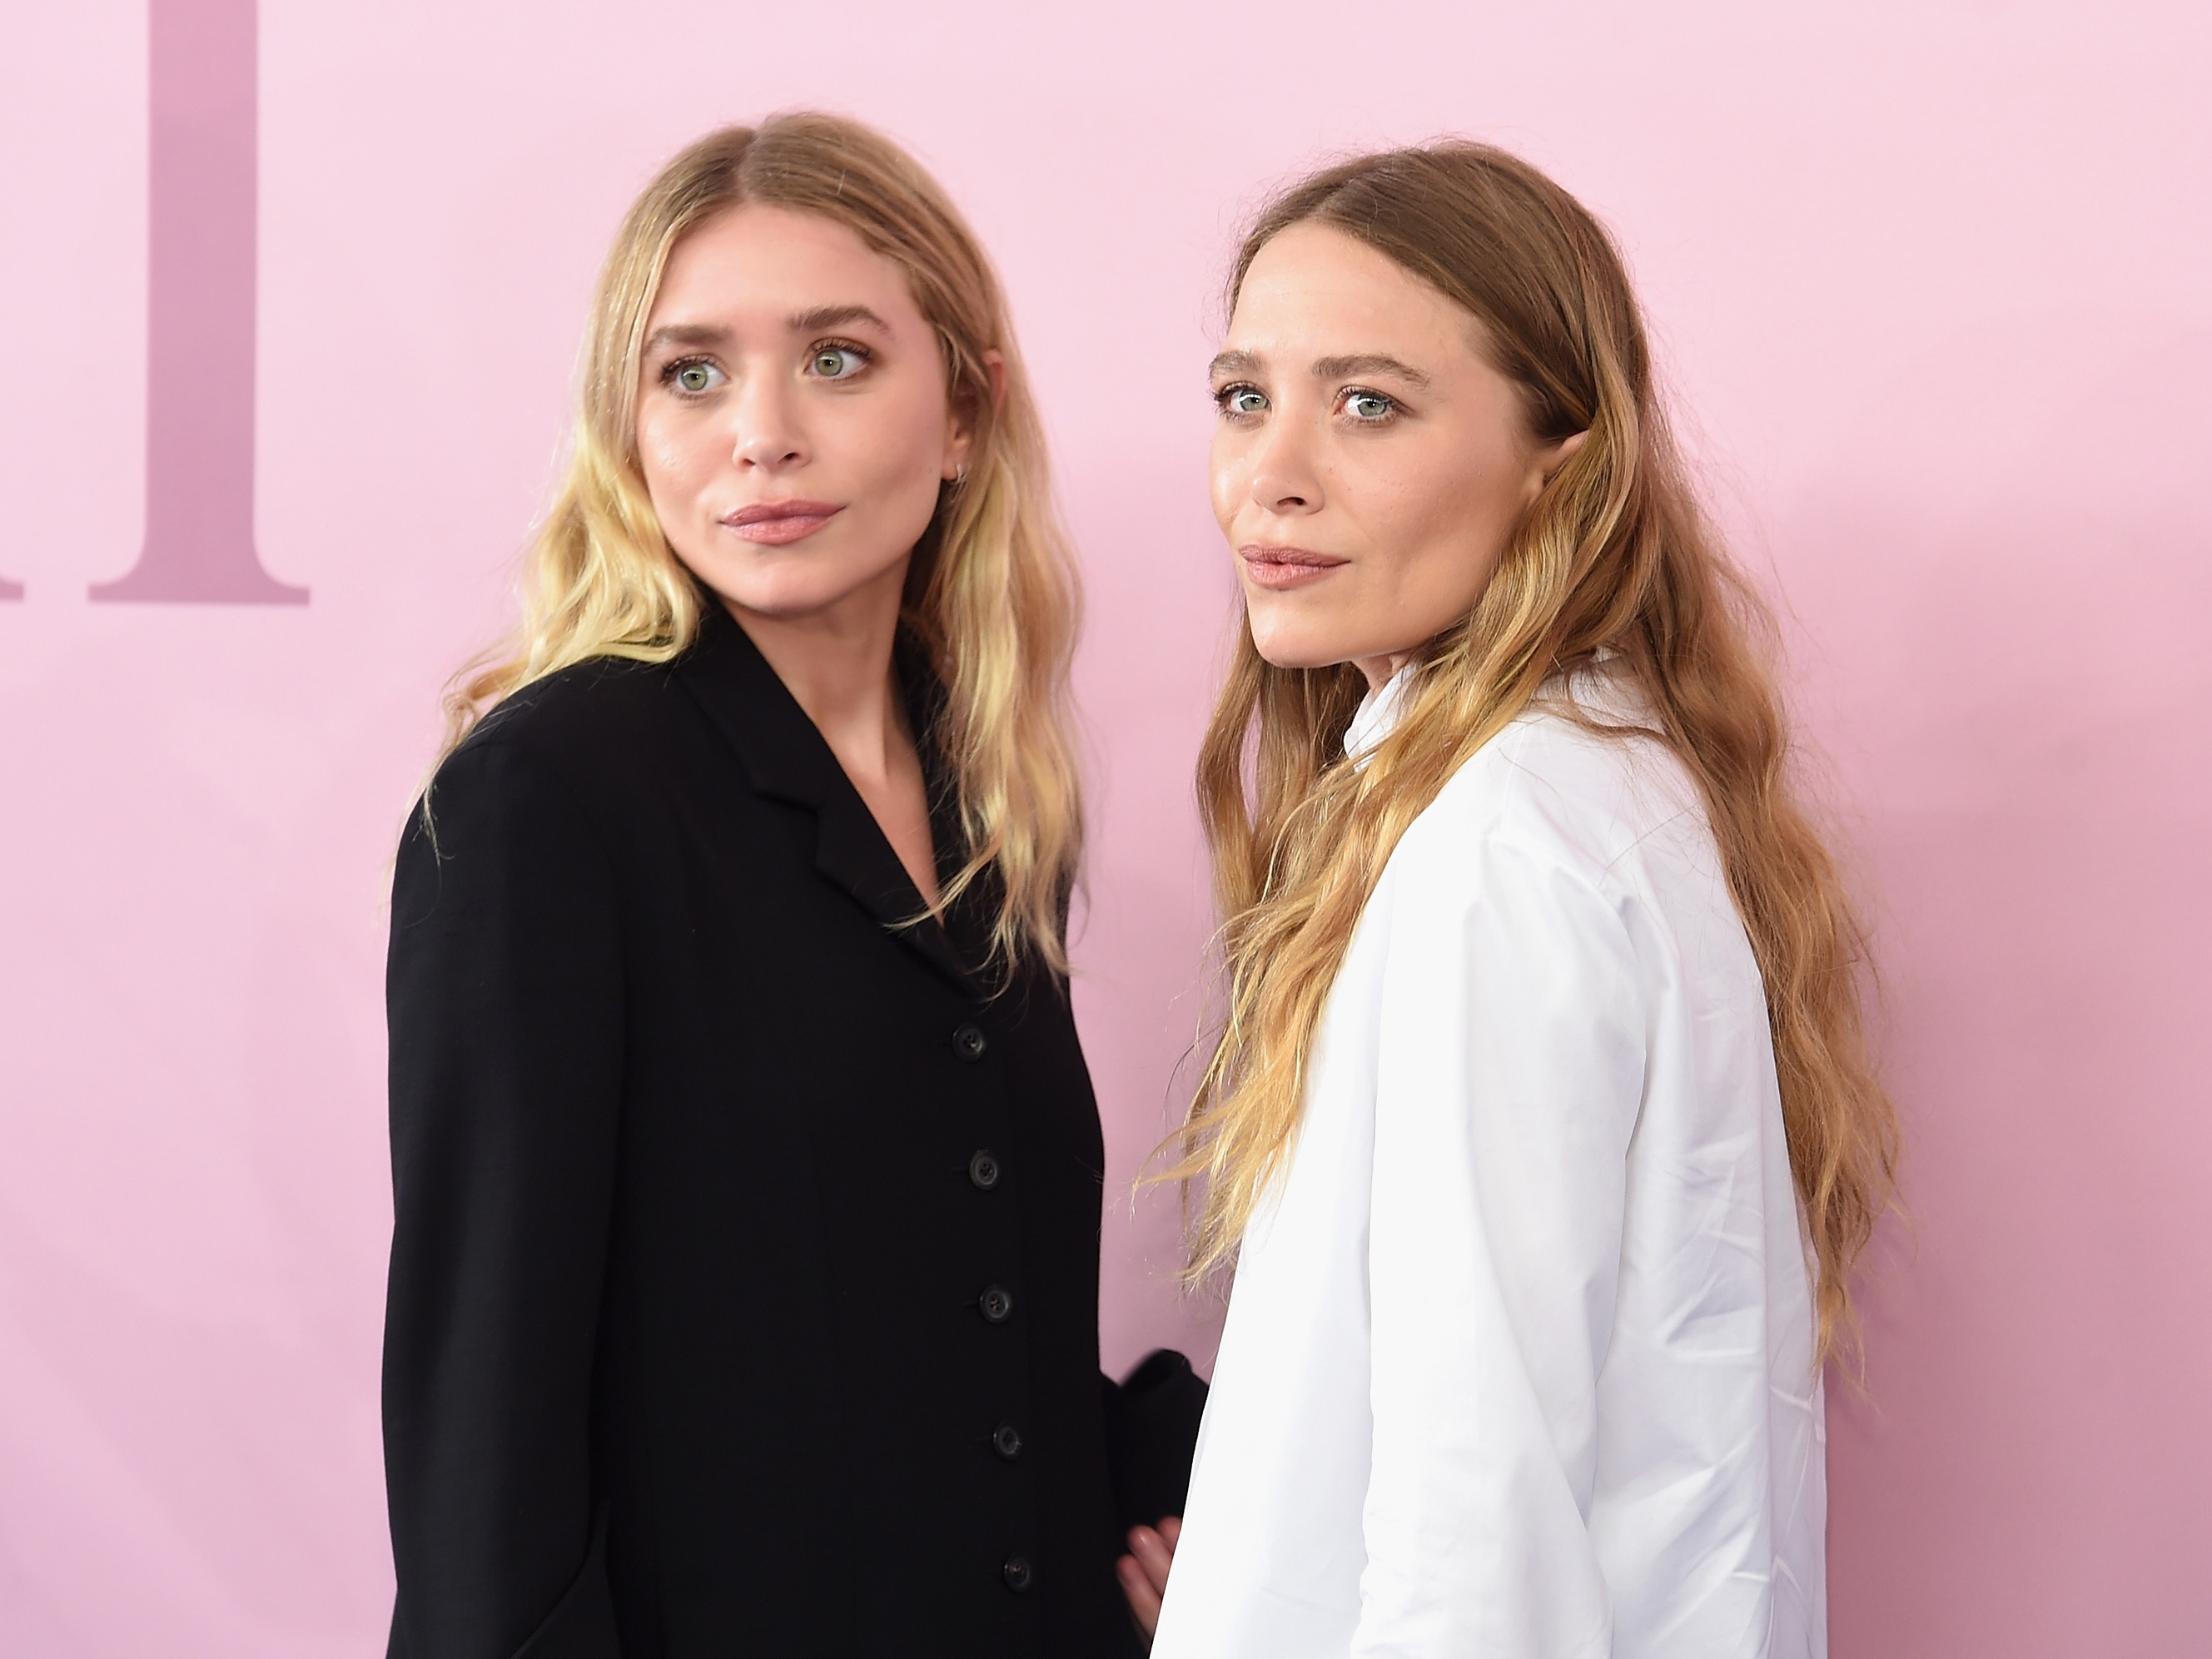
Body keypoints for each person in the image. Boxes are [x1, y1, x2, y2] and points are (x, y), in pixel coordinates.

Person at [380, 113, 1194, 1659]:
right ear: (627, 429)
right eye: (691, 373)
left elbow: (949, 1324)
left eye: (834, 359)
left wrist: (1191, 1490)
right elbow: (485, 1444)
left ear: (964, 413)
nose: (761, 432)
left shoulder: (989, 791)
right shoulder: (548, 797)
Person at [1131, 144, 1899, 1657]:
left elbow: (1476, 1509)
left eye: (1368, 403)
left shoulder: (1498, 848)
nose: (1271, 472)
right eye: (1242, 395)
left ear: (1559, 459)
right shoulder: (1572, 789)